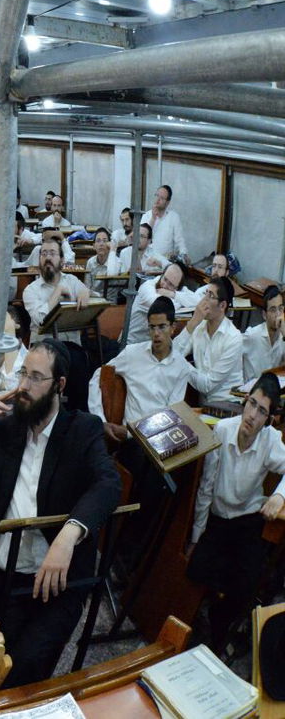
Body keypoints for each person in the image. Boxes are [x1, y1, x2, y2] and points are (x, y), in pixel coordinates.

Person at [0, 341, 120, 687]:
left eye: (36, 377)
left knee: (30, 664)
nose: (23, 385)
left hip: (59, 580)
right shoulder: (4, 428)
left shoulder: (82, 429)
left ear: (59, 385)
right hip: (4, 572)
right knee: (2, 667)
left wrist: (69, 534)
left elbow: (109, 484)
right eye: (23, 373)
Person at [187, 373, 285, 653]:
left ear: (270, 419)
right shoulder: (223, 430)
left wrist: (279, 495)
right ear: (245, 401)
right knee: (197, 570)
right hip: (218, 519)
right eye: (251, 404)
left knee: (247, 582)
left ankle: (219, 631)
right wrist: (196, 535)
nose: (252, 415)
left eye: (262, 411)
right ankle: (203, 623)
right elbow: (206, 487)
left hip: (247, 520)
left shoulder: (270, 439)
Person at [88, 296, 192, 435]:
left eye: (162, 327)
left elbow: (172, 415)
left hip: (160, 436)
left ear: (173, 328)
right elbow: (98, 375)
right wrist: (100, 420)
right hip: (130, 438)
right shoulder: (132, 354)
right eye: (152, 327)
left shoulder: (181, 367)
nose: (156, 333)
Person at [174, 276, 244, 405]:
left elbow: (207, 385)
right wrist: (193, 322)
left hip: (228, 403)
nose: (203, 300)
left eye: (210, 295)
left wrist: (180, 362)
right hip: (205, 403)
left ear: (222, 305)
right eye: (205, 293)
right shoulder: (199, 326)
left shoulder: (233, 338)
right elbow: (172, 353)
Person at [22, 235, 90, 341]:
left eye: (53, 253)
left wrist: (85, 291)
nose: (48, 258)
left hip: (72, 345)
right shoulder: (30, 290)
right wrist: (58, 291)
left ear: (62, 260)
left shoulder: (71, 280)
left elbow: (94, 295)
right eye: (44, 254)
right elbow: (41, 320)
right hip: (44, 346)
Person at [242, 284, 283, 381]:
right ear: (264, 315)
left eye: (280, 308)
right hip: (251, 388)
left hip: (271, 388)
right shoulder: (252, 335)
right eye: (273, 310)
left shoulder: (283, 336)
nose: (278, 314)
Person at [141, 184, 188, 262]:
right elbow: (142, 238)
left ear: (168, 202)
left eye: (162, 198)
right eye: (156, 195)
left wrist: (184, 254)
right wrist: (153, 218)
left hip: (165, 262)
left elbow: (180, 241)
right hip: (147, 261)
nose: (157, 200)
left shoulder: (173, 217)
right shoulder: (146, 215)